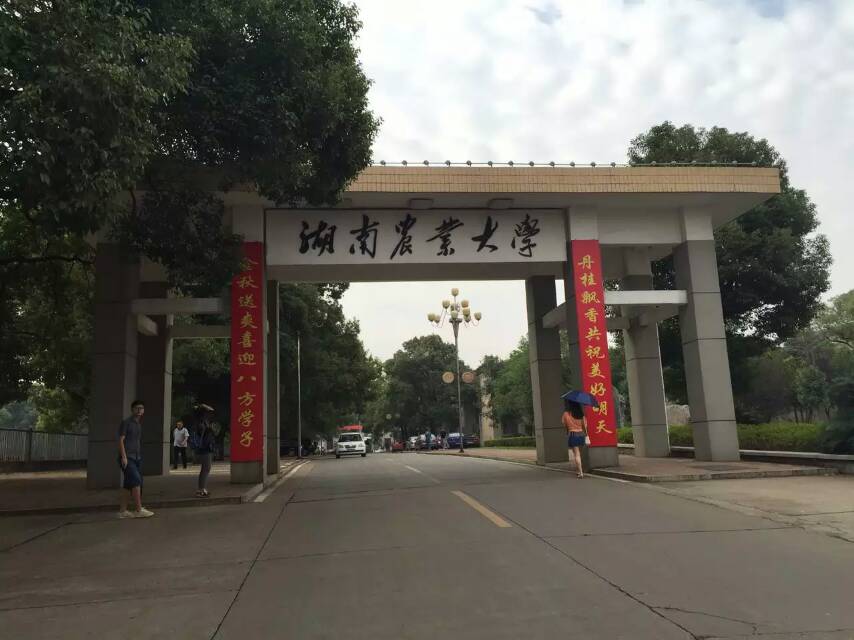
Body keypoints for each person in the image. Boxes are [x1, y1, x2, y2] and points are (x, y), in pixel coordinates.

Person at [118, 400, 154, 518]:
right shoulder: (126, 422)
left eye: (141, 408)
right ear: (132, 409)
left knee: (128, 485)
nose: (139, 410)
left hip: (137, 458)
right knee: (136, 481)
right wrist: (124, 457)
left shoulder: (138, 424)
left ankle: (122, 511)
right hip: (128, 458)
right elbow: (121, 440)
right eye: (137, 408)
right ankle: (139, 510)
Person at [191, 405, 216, 497]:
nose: (210, 414)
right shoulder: (201, 423)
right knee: (206, 468)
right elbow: (204, 435)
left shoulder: (202, 421)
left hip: (205, 448)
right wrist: (210, 429)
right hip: (204, 448)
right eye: (208, 412)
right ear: (204, 413)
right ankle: (200, 490)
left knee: (205, 469)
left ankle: (202, 489)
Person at [562, 400, 588, 479]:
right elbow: (585, 425)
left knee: (576, 454)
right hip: (581, 435)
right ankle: (579, 471)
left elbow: (564, 424)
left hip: (573, 434)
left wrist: (568, 428)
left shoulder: (566, 414)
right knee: (579, 454)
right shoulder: (581, 414)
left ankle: (580, 472)